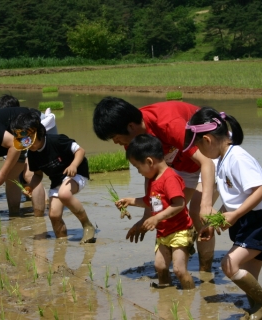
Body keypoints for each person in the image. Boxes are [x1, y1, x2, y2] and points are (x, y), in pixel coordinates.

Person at [93, 96, 217, 272]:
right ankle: (172, 264)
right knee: (168, 215)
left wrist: (207, 204)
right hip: (182, 163)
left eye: (115, 136)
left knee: (198, 212)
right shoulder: (133, 142)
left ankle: (206, 272)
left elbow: (207, 163)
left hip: (209, 150)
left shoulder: (168, 123)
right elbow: (151, 175)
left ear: (130, 126)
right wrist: (147, 215)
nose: (115, 142)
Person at [185, 107, 262, 320]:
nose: (199, 154)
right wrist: (214, 222)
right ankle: (257, 308)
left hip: (261, 220)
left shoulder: (237, 157)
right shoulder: (222, 160)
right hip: (247, 220)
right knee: (248, 274)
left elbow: (260, 190)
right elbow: (232, 198)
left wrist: (236, 214)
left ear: (207, 140)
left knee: (229, 265)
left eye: (198, 147)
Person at [115, 134, 195, 290]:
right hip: (163, 232)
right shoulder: (154, 179)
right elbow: (151, 201)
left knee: (179, 269)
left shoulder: (170, 178)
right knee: (160, 266)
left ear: (150, 161)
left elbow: (179, 203)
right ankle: (166, 295)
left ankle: (189, 297)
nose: (138, 172)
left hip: (180, 230)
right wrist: (130, 201)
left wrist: (157, 218)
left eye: (138, 167)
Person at [10, 110, 95, 244]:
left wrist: (73, 165)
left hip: (77, 173)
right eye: (25, 144)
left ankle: (87, 225)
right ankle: (61, 243)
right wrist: (30, 186)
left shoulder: (57, 141)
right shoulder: (32, 154)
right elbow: (38, 175)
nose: (28, 146)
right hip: (57, 181)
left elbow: (80, 150)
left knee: (64, 194)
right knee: (54, 215)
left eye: (30, 142)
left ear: (39, 133)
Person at [0, 94, 57, 216]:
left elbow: (30, 145)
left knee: (29, 174)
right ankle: (34, 203)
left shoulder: (28, 122)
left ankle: (45, 206)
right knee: (21, 177)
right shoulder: (9, 124)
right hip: (28, 141)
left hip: (41, 137)